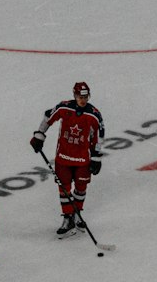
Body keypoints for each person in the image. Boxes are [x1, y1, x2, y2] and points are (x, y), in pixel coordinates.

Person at [31, 81, 105, 237]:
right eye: (80, 96)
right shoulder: (64, 108)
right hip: (63, 158)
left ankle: (77, 214)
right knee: (63, 189)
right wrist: (40, 135)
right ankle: (67, 218)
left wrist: (96, 156)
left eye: (85, 96)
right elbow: (48, 116)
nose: (83, 100)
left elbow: (99, 135)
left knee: (81, 188)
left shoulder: (94, 114)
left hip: (83, 160)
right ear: (74, 95)